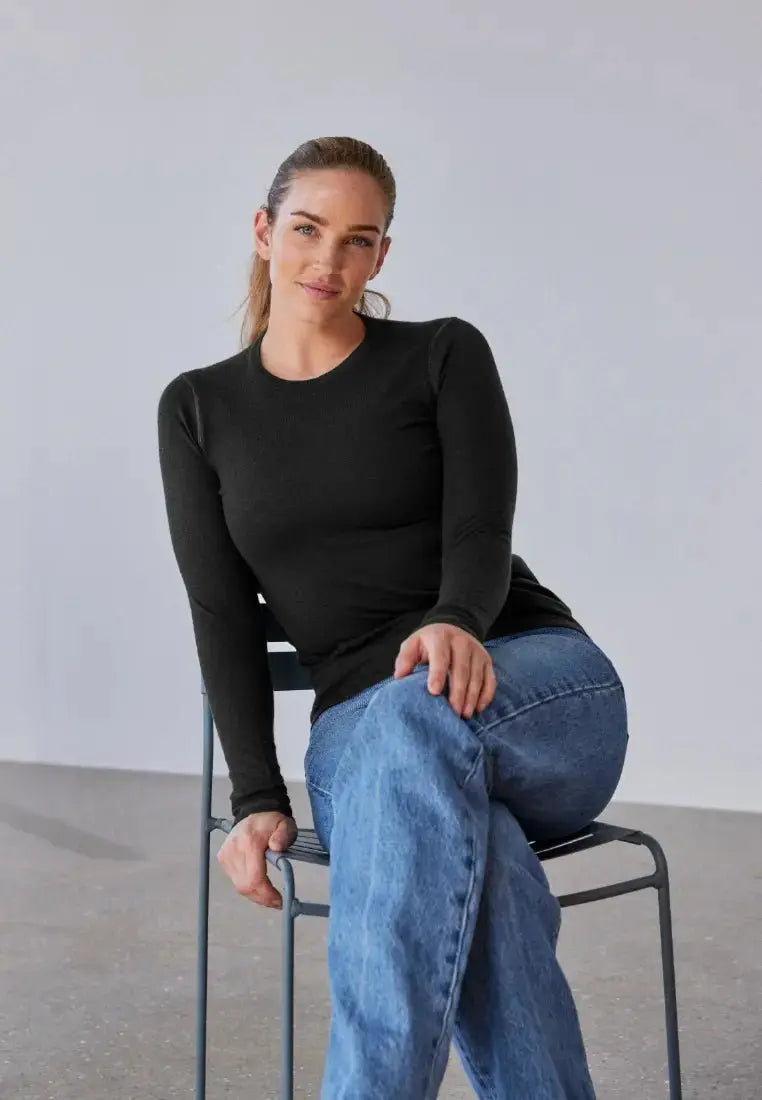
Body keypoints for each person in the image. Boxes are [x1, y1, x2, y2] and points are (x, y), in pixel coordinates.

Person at [157, 135, 629, 1099]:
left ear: (382, 255)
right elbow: (221, 615)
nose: (328, 259)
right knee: (480, 855)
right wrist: (256, 798)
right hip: (362, 738)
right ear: (263, 232)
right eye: (307, 229)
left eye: (358, 239)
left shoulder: (443, 354)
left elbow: (482, 525)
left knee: (415, 716)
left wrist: (457, 617)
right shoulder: (199, 409)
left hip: (531, 687)